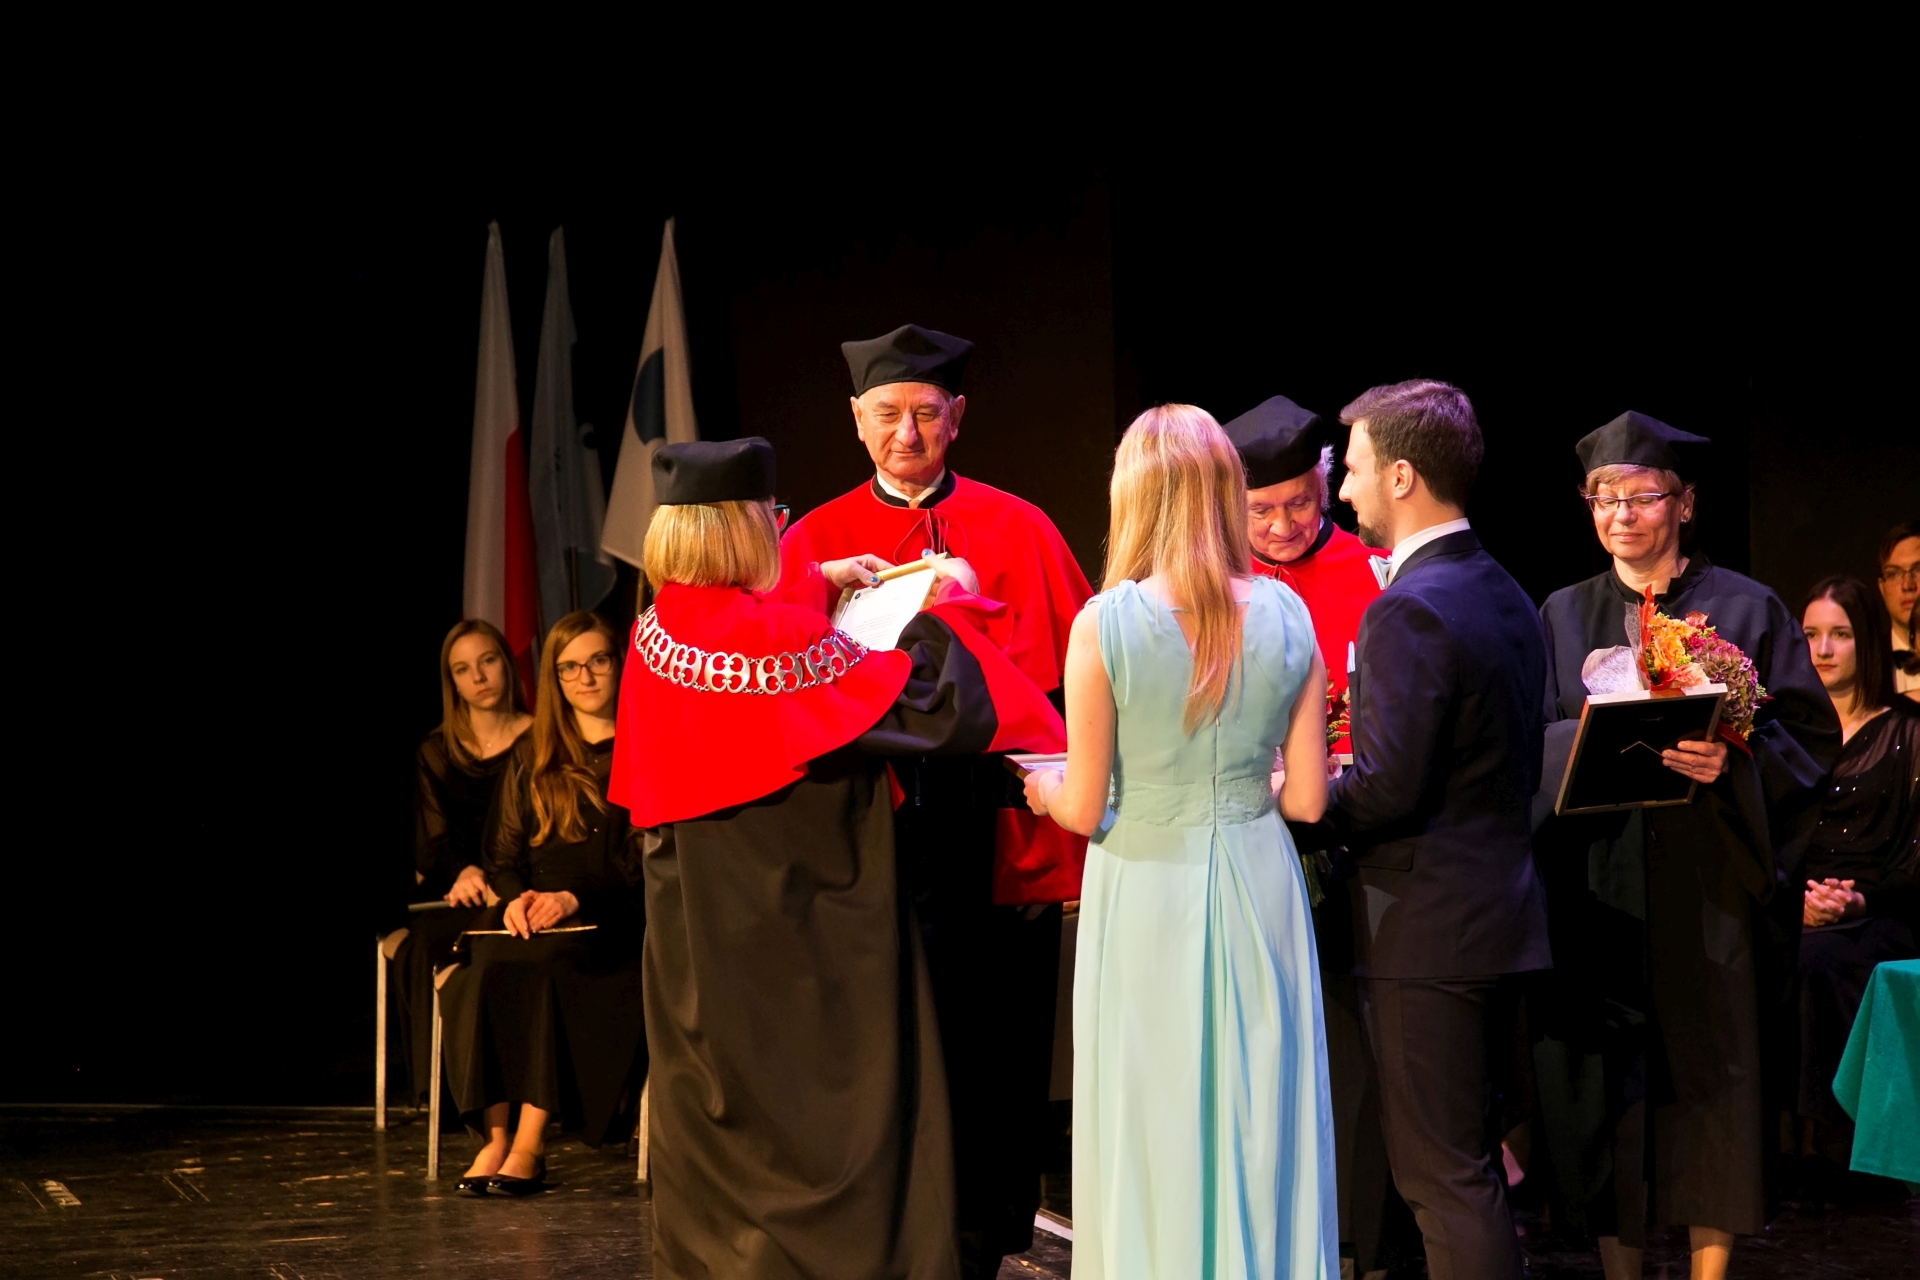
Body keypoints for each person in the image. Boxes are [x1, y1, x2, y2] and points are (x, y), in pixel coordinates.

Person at [611, 438, 1068, 1280]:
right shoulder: (778, 642)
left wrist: (820, 580)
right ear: (743, 528)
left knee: (725, 1105)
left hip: (701, 935)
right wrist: (947, 604)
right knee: (825, 1117)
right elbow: (933, 704)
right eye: (769, 516)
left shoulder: (654, 631)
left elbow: (748, 649)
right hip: (805, 928)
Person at [776, 323, 1093, 1276]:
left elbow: (1075, 687)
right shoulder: (813, 544)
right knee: (887, 1050)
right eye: (887, 414)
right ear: (855, 419)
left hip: (997, 831)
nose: (905, 433)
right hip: (875, 841)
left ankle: (988, 1237)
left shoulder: (1021, 527)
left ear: (958, 415)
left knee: (1000, 1049)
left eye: (925, 413)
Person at [1021, 404, 1336, 1278]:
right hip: (1259, 878)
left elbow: (1083, 805)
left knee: (1150, 1107)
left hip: (1144, 887)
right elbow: (1308, 800)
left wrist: (1039, 786)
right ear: (1227, 494)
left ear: (1135, 496)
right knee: (1259, 1106)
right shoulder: (1287, 613)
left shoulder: (1107, 623)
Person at [1532, 412, 1838, 1280]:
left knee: (1716, 1091)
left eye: (1643, 496)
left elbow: (1809, 744)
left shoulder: (1747, 608)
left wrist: (1731, 759)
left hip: (1711, 889)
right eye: (1605, 498)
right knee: (1609, 1099)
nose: (1622, 514)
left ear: (1686, 503)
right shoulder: (1562, 613)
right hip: (1603, 883)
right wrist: (1586, 741)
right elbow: (1529, 738)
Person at [1324, 379, 1549, 1280]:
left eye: (1354, 470)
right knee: (1468, 1171)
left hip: (1426, 933)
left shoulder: (1408, 606)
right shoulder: (1505, 589)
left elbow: (1387, 790)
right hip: (1496, 918)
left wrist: (1294, 798)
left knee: (1442, 1181)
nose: (1344, 492)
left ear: (1402, 477)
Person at [1223, 393, 1389, 1277]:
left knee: (1353, 1045)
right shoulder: (1212, 587)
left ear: (1327, 486)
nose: (1283, 526)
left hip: (1357, 839)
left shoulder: (1377, 574)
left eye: (1300, 503)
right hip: (1249, 842)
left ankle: (1358, 1234)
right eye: (1262, 511)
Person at [437, 610, 647, 1196]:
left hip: (608, 914)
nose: (586, 678)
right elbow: (501, 855)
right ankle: (494, 1140)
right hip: (532, 909)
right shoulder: (534, 751)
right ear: (555, 678)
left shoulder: (643, 745)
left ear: (618, 664)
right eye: (569, 668)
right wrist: (512, 901)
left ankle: (530, 1143)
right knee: (485, 969)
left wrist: (571, 897)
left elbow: (640, 861)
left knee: (547, 970)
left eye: (598, 661)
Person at [1797, 576, 1920, 1170]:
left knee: (1826, 960)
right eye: (1811, 635)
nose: (1822, 650)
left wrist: (1858, 900)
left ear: (1866, 640)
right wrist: (1797, 900)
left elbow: (1915, 855)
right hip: (1797, 902)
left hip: (1883, 906)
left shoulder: (1908, 731)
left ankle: (1844, 1143)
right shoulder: (1784, 733)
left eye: (1839, 635)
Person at [391, 620, 533, 1107]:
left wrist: (502, 880)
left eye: (488, 661)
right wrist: (464, 872)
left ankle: (510, 1088)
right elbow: (433, 839)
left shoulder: (541, 739)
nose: (479, 677)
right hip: (456, 887)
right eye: (463, 669)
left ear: (506, 664)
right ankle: (444, 1095)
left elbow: (542, 830)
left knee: (499, 949)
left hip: (519, 883)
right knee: (426, 945)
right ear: (451, 682)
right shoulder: (435, 750)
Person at [1877, 520, 1920, 698]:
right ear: (1882, 588)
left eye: (1918, 569)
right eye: (1894, 574)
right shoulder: (1864, 666)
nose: (1907, 585)